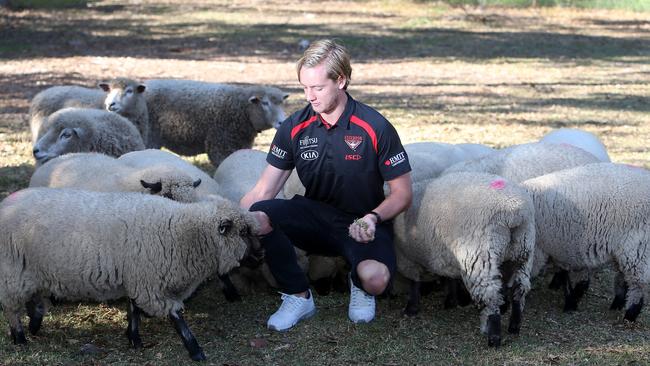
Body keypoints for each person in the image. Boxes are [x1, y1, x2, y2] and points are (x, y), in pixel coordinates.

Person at [240, 39, 412, 331]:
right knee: (258, 214)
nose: (310, 96)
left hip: (363, 223)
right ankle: (298, 295)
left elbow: (403, 193)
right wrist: (231, 220)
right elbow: (263, 191)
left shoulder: (375, 126)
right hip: (315, 218)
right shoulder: (294, 127)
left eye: (318, 88)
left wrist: (373, 218)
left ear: (341, 80)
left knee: (377, 279)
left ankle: (359, 282)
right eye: (304, 88)